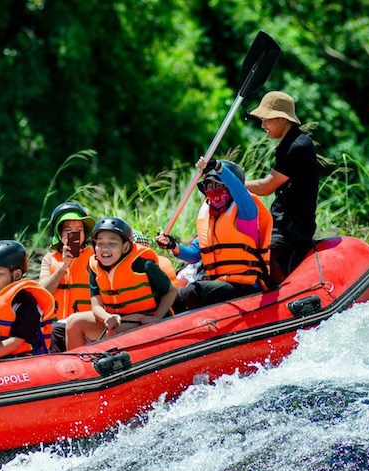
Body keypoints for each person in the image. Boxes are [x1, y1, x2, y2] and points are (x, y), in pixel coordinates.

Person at [156, 159, 273, 311]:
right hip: (219, 283)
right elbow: (193, 255)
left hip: (245, 285)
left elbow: (239, 190)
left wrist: (219, 168)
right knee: (173, 297)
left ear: (229, 187)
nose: (212, 189)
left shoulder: (245, 212)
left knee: (193, 291)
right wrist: (174, 246)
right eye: (209, 185)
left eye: (218, 184)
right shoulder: (209, 220)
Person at [66, 217, 177, 350]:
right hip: (115, 317)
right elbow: (96, 306)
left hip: (147, 318)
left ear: (125, 247)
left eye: (112, 244)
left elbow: (171, 291)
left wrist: (157, 317)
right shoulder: (95, 267)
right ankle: (77, 367)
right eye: (99, 243)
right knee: (74, 322)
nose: (104, 249)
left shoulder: (143, 265)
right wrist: (107, 317)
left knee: (115, 329)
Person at [244, 90, 320, 281]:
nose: (262, 125)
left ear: (283, 120)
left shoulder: (297, 146)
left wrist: (233, 184)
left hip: (293, 229)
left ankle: (279, 292)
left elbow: (265, 187)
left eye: (266, 120)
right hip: (280, 222)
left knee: (260, 258)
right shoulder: (287, 144)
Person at [39, 202, 94, 352]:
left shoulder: (95, 257)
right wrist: (64, 266)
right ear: (59, 234)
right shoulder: (49, 258)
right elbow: (43, 292)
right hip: (54, 329)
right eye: (68, 230)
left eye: (79, 230)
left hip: (84, 328)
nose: (74, 234)